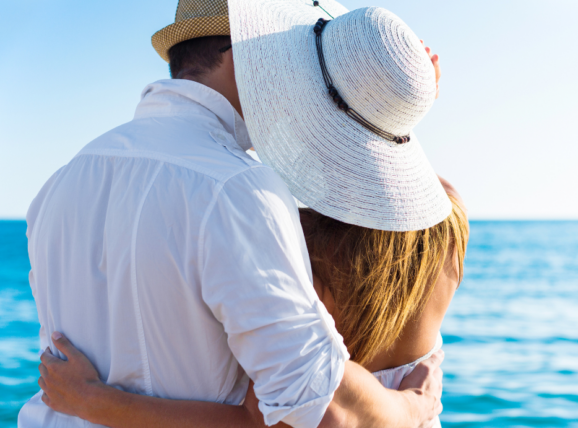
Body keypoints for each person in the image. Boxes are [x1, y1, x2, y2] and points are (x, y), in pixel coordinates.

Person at [20, 0, 449, 427]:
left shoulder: (58, 183)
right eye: (289, 59)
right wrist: (416, 405)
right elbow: (321, 410)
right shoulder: (239, 190)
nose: (300, 81)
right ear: (239, 56)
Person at [35, 182, 468, 428]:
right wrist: (415, 406)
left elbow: (256, 423)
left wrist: (92, 401)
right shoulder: (448, 222)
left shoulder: (314, 244)